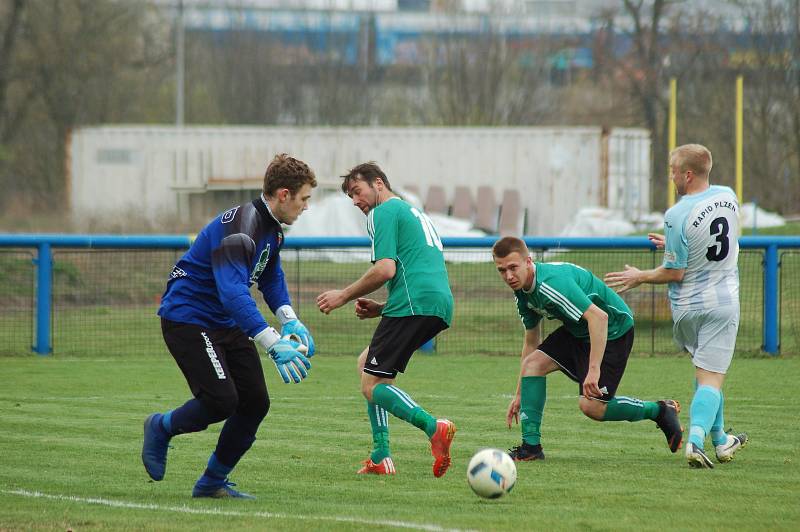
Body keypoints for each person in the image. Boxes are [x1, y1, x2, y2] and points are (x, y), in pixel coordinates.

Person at [141, 153, 317, 498]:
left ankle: (211, 483)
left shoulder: (272, 230)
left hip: (224, 320)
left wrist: (290, 319)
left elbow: (270, 275)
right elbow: (233, 292)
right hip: (188, 318)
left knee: (255, 402)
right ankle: (160, 426)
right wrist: (271, 342)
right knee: (221, 401)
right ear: (283, 194)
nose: (307, 207)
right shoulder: (242, 228)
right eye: (304, 198)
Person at [605, 143, 747, 469]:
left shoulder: (676, 214)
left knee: (705, 373)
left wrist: (640, 275)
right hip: (721, 303)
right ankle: (696, 443)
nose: (670, 177)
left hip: (686, 309)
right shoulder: (729, 196)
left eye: (672, 171)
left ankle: (722, 440)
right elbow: (712, 243)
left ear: (687, 174)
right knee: (711, 378)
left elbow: (675, 271)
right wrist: (656, 262)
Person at [316, 162, 456, 477]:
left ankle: (435, 427)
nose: (355, 201)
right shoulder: (413, 212)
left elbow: (386, 270)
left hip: (414, 303)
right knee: (369, 365)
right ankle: (381, 456)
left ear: (378, 183)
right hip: (434, 303)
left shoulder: (383, 213)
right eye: (350, 196)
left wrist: (343, 295)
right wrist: (382, 308)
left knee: (371, 384)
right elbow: (414, 267)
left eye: (357, 191)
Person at [492, 236, 683, 461]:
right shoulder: (522, 292)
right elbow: (531, 342)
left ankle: (660, 410)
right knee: (533, 364)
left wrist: (593, 371)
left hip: (613, 329)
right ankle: (531, 448)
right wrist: (520, 393)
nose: (509, 276)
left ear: (528, 261)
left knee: (592, 407)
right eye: (502, 270)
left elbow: (599, 317)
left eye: (513, 268)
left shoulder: (551, 284)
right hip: (578, 329)